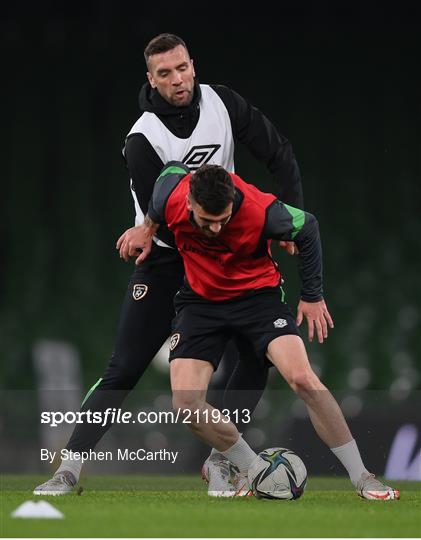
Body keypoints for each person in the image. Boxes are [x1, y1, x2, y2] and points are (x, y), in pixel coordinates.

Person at [34, 33, 303, 496]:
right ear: (151, 79)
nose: (176, 80)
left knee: (256, 354)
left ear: (193, 65)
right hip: (167, 263)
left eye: (181, 68)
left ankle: (223, 461)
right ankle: (69, 469)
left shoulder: (224, 104)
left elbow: (278, 151)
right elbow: (165, 219)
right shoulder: (144, 138)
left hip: (223, 257)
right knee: (125, 367)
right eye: (164, 73)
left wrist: (290, 220)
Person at [116, 161, 400, 501]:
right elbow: (168, 172)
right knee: (186, 402)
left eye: (224, 220)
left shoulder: (261, 210)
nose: (217, 229)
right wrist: (147, 227)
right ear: (189, 203)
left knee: (302, 379)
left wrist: (312, 296)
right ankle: (251, 467)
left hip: (258, 299)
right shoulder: (170, 194)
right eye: (208, 222)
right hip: (200, 303)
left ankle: (364, 478)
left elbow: (307, 227)